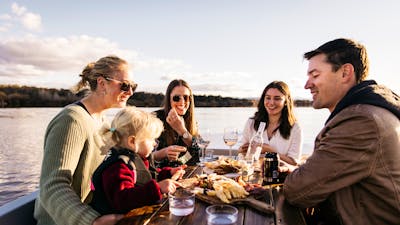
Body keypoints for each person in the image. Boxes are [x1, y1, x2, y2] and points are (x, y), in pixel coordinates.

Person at [283, 38, 400, 225]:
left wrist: (296, 176)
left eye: (315, 75)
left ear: (345, 72)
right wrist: (298, 171)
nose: (307, 85)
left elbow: (298, 191)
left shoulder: (361, 120)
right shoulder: (365, 111)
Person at [34, 55, 137, 225]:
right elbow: (52, 186)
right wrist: (93, 221)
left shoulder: (103, 122)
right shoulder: (72, 120)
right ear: (102, 83)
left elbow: (114, 164)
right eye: (125, 85)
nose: (130, 92)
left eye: (133, 86)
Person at [90, 107, 185, 214]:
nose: (155, 143)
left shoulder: (136, 158)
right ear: (132, 141)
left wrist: (168, 173)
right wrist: (158, 188)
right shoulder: (118, 168)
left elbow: (147, 176)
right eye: (152, 139)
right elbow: (123, 200)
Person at [238, 81, 302, 165]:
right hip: (252, 173)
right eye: (268, 98)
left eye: (277, 98)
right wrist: (242, 150)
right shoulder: (251, 123)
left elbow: (294, 162)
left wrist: (269, 150)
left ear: (286, 101)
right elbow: (241, 154)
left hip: (279, 175)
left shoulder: (295, 128)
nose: (271, 103)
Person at [152, 79, 201, 167]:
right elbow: (144, 157)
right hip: (159, 175)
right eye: (176, 98)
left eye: (186, 97)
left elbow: (196, 155)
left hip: (181, 172)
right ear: (169, 100)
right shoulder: (155, 118)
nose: (182, 102)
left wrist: (182, 131)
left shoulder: (190, 121)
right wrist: (164, 153)